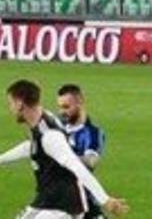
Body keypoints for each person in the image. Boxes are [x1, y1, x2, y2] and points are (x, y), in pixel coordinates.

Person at [0, 80, 128, 218]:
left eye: (11, 103)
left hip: (62, 205)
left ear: (20, 104)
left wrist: (105, 200)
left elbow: (76, 166)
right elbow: (32, 146)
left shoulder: (50, 137)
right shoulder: (42, 120)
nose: (11, 109)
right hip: (49, 200)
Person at [57, 85, 107, 219]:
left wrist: (62, 158)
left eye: (66, 107)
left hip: (82, 200)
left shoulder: (92, 133)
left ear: (80, 103)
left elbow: (91, 161)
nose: (62, 112)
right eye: (60, 107)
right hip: (55, 199)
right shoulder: (57, 129)